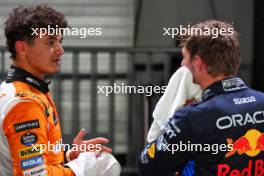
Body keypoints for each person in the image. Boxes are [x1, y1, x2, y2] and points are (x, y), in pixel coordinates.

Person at [138, 20, 264, 175]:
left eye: (184, 57)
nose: (182, 64)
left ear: (197, 63)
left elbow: (147, 165)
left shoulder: (191, 117)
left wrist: (172, 124)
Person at [0, 5, 113, 175]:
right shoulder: (25, 102)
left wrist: (69, 156)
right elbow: (34, 174)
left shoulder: (25, 90)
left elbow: (34, 161)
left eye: (60, 42)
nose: (60, 50)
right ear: (21, 48)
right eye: (50, 42)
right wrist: (80, 169)